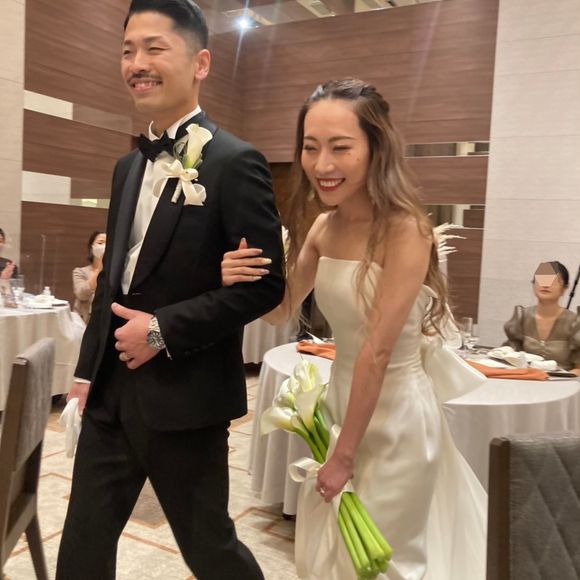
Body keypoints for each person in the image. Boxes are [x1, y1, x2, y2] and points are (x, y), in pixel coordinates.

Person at [221, 79, 487, 579]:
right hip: (341, 401)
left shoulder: (405, 229)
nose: (322, 164)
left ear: (375, 147)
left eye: (340, 147)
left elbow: (378, 351)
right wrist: (241, 279)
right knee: (336, 550)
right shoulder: (325, 226)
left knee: (387, 557)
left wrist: (343, 455)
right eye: (310, 147)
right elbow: (280, 310)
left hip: (396, 417)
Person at [56, 1, 284, 578]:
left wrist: (161, 330)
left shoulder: (237, 162)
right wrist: (85, 373)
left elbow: (265, 288)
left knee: (211, 551)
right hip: (110, 396)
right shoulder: (126, 168)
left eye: (154, 48)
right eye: (128, 50)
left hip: (186, 397)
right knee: (80, 549)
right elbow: (112, 283)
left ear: (200, 62)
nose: (137, 63)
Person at [504, 261, 580, 374]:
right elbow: (510, 360)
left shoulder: (575, 323)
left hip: (564, 382)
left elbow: (578, 369)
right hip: (526, 380)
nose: (546, 284)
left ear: (564, 288)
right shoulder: (521, 317)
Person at [72, 231, 106, 323]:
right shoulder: (80, 272)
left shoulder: (114, 274)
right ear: (92, 247)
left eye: (108, 244)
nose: (104, 246)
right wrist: (100, 268)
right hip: (83, 322)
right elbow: (82, 294)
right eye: (100, 242)